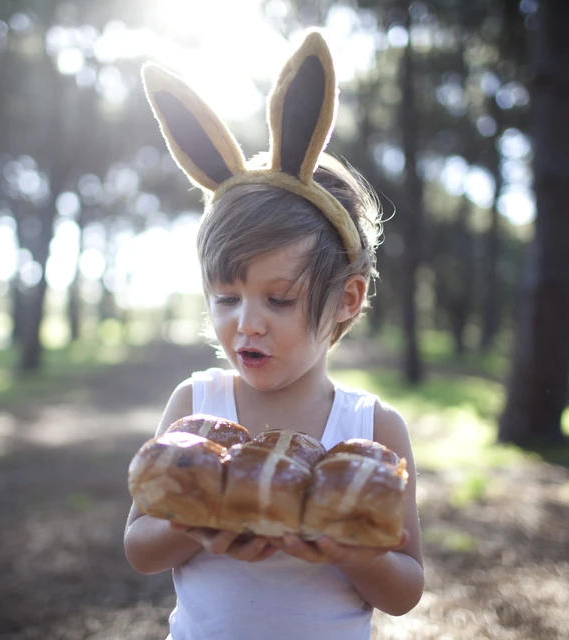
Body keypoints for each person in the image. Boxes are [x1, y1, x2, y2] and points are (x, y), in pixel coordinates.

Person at [124, 30, 424, 640]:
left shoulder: (372, 430)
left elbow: (407, 587)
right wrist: (196, 516)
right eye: (227, 297)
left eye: (279, 299)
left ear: (347, 299)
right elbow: (139, 546)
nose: (246, 322)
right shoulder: (195, 410)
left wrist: (347, 548)